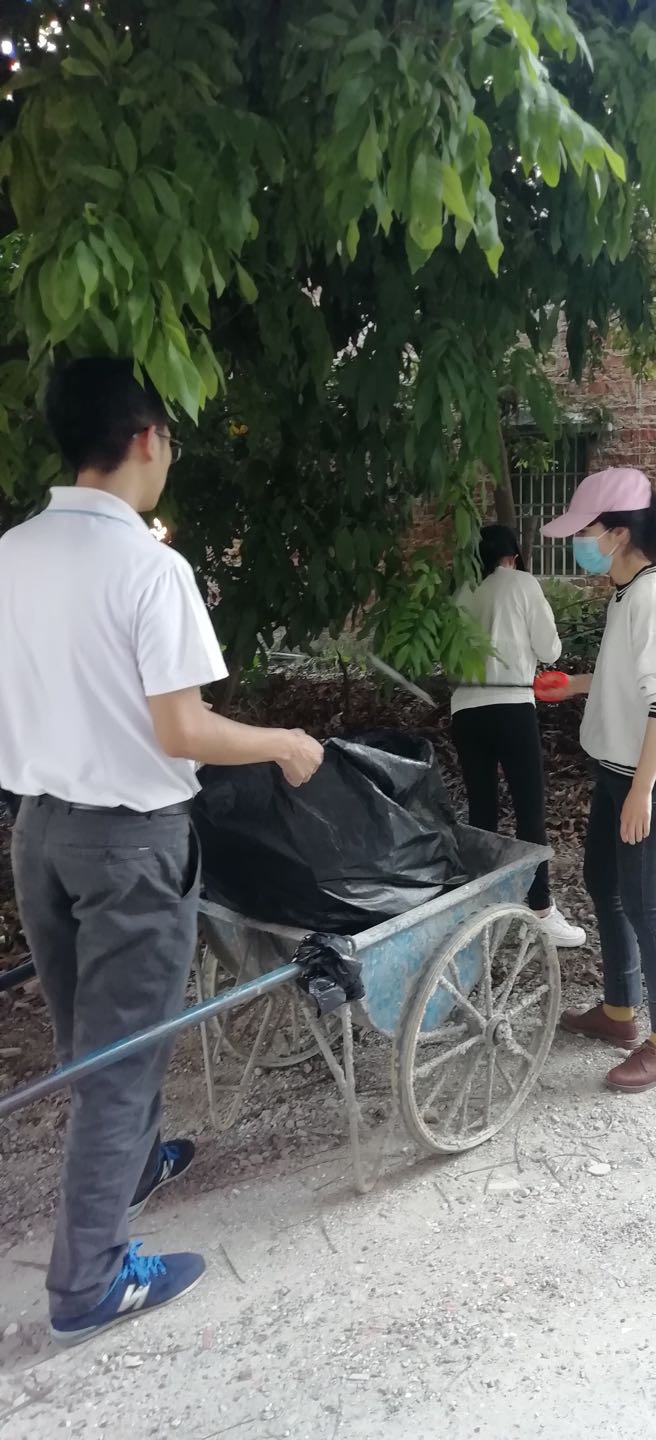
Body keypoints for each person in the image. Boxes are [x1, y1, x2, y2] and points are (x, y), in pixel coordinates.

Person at [0, 357, 324, 1347]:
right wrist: (282, 742)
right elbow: (182, 728)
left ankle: (133, 1167)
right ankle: (90, 1281)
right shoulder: (150, 569)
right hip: (129, 845)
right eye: (170, 439)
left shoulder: (13, 552)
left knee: (91, 1040)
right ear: (147, 438)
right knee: (122, 1054)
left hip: (39, 834)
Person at [542, 468, 656, 1092]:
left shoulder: (653, 595)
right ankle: (618, 1009)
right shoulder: (626, 591)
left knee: (644, 903)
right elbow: (632, 679)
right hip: (616, 767)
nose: (578, 543)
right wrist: (575, 685)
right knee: (603, 882)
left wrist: (642, 789)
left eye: (584, 531)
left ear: (617, 534)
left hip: (648, 776)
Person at [451, 525, 585, 948]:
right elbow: (550, 650)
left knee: (482, 810)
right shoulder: (523, 584)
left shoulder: (462, 593)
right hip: (512, 706)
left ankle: (480, 909)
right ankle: (540, 907)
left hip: (465, 710)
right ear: (512, 556)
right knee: (529, 810)